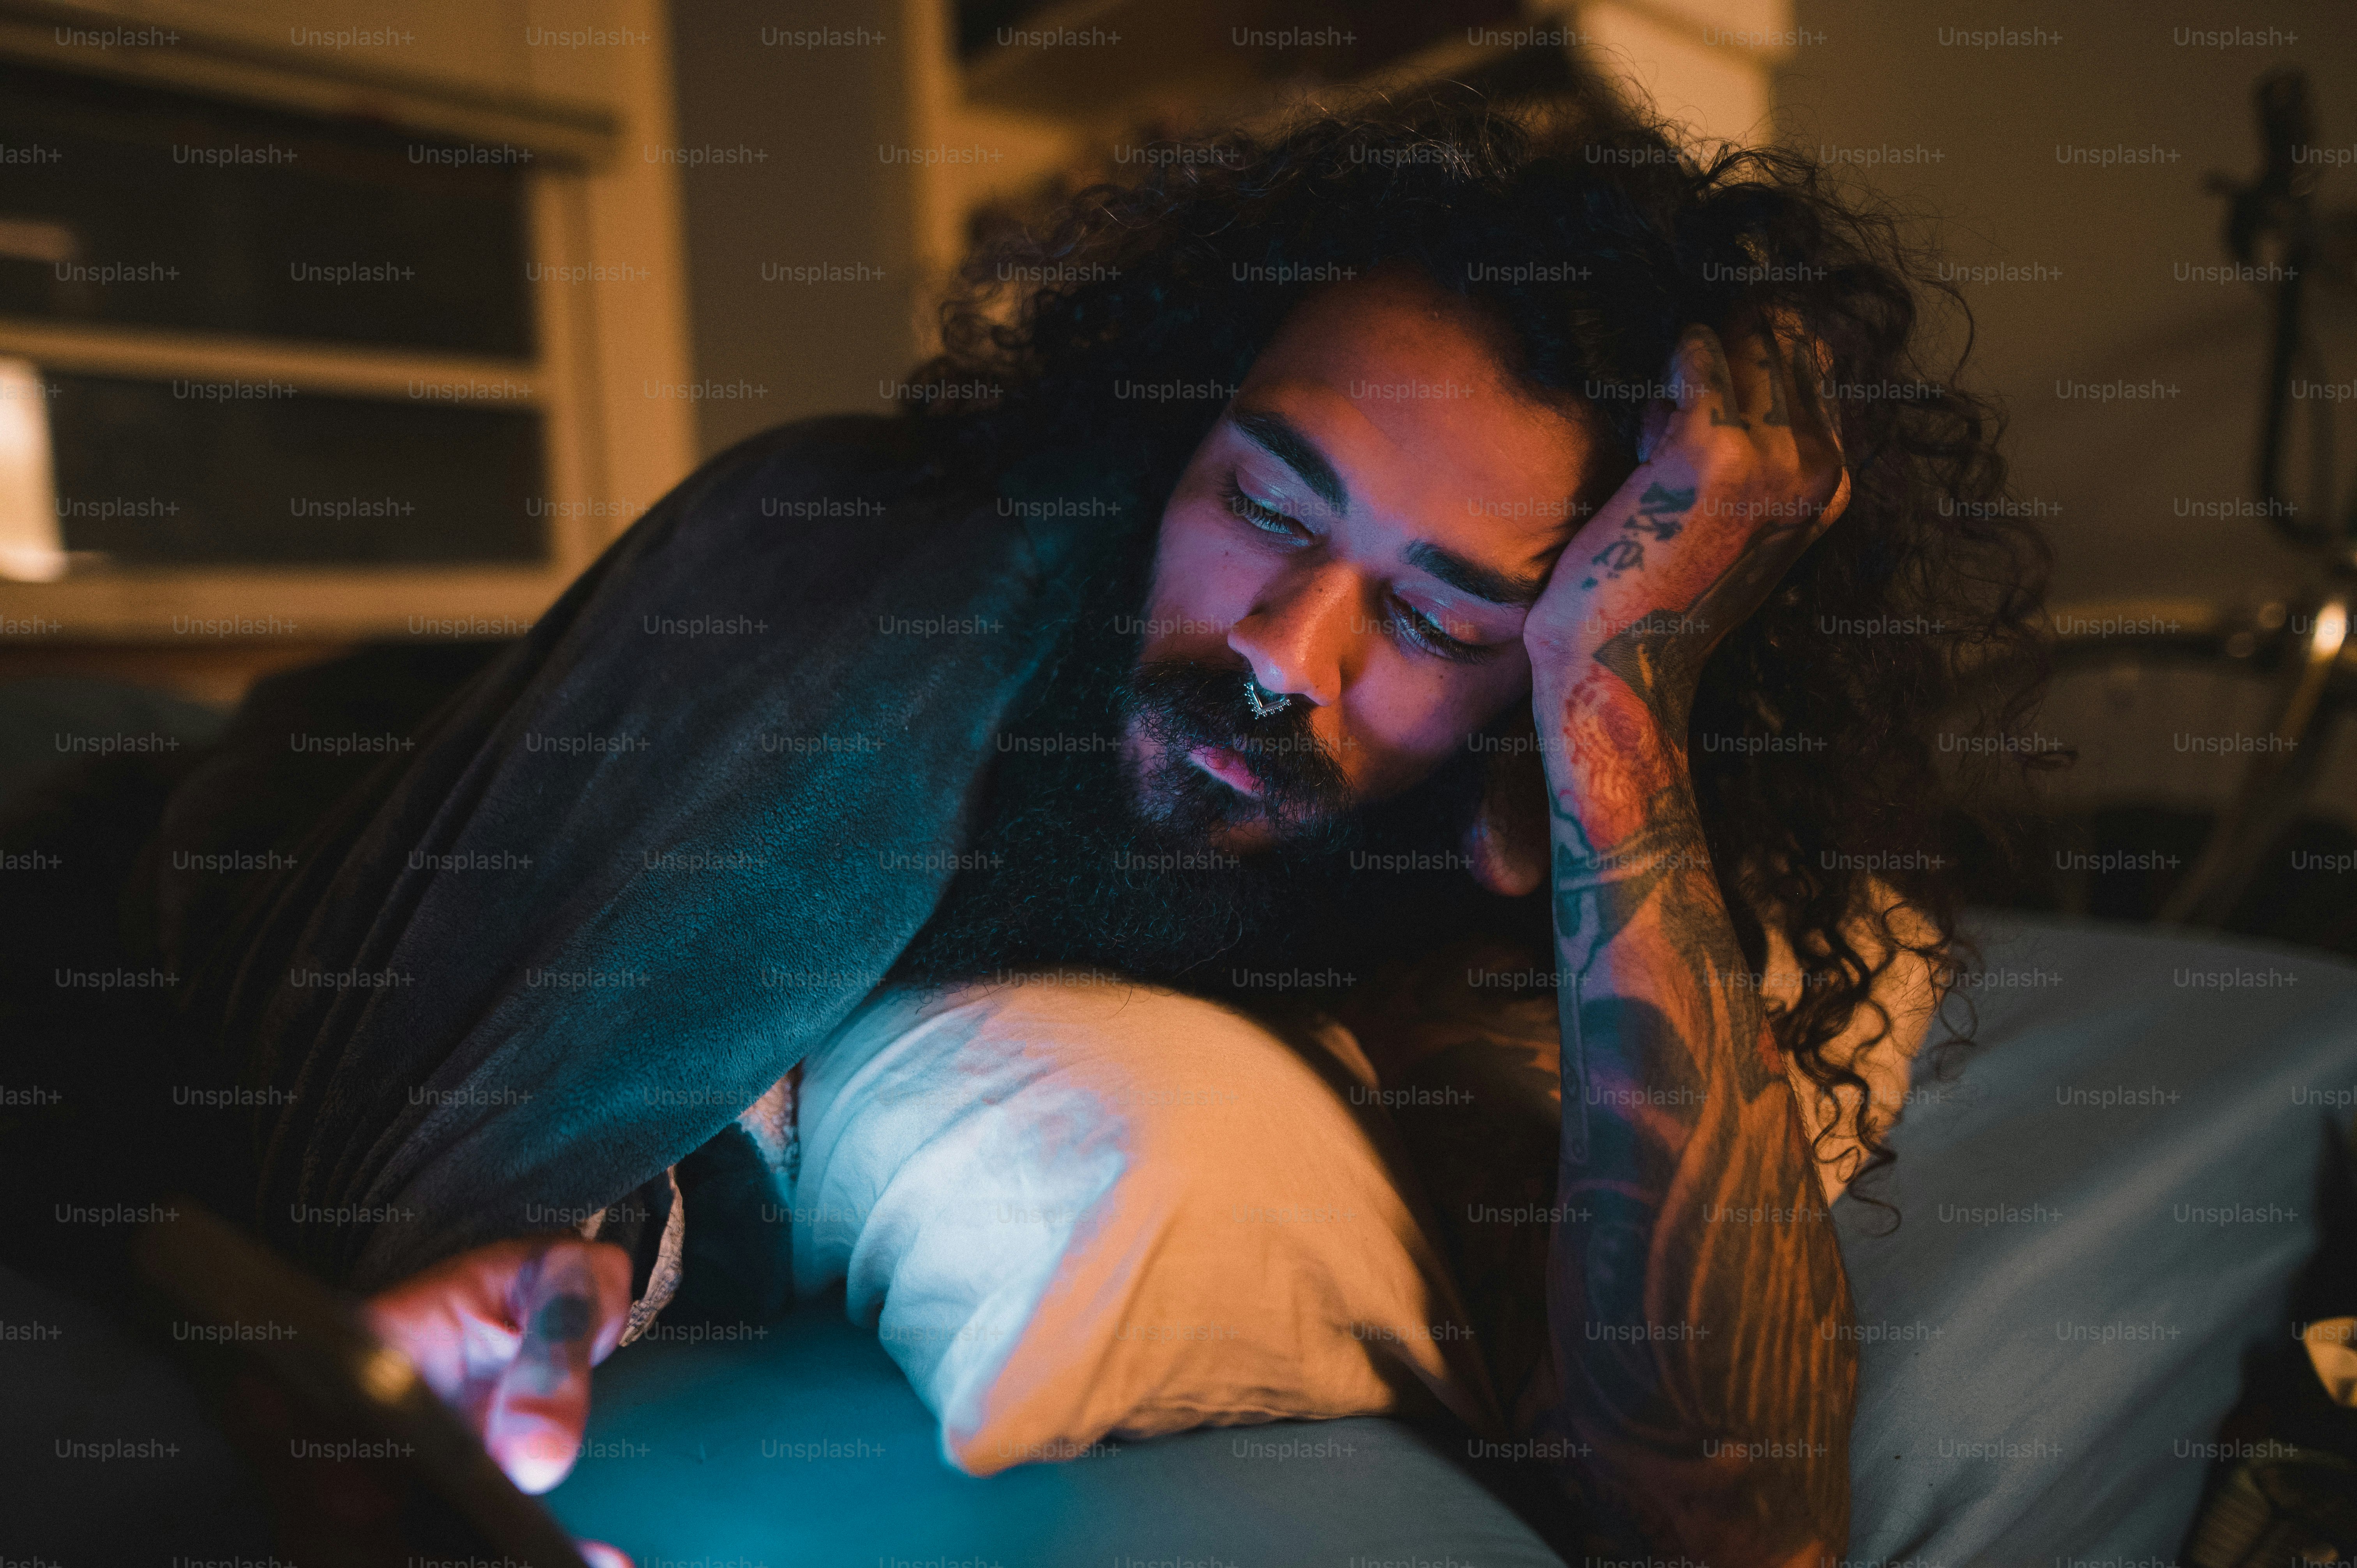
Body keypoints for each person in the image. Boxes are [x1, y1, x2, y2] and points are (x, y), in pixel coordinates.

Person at [4, 87, 2045, 1564]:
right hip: (177, 830)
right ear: (1174, 434)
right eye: (1264, 497)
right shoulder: (906, 573)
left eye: (1437, 617)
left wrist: (1619, 719)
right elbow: (660, 961)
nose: (1281, 649)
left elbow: (1737, 1522)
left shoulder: (1474, 908)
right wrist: (539, 1233)